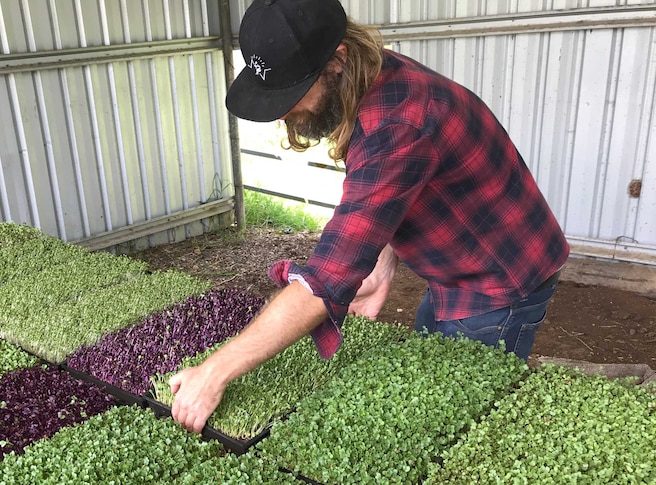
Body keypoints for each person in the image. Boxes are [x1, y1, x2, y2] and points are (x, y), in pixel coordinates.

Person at [169, 0, 569, 434]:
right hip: (457, 265)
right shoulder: (372, 78)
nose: (284, 112)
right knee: (429, 366)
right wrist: (381, 266)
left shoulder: (397, 123)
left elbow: (327, 279)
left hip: (500, 281)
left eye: (291, 94)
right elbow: (401, 195)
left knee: (457, 422)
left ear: (337, 60)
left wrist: (215, 371)